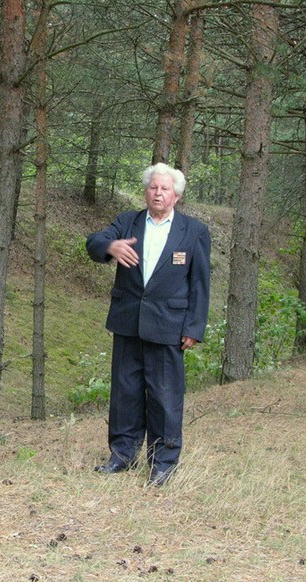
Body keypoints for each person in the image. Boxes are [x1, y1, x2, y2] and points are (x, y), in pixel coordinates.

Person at [85, 163, 210, 486]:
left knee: (164, 396)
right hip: (128, 322)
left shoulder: (193, 231)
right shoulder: (129, 221)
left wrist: (194, 328)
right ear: (146, 191)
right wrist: (109, 247)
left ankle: (163, 463)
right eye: (153, 187)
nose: (158, 193)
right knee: (125, 393)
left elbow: (200, 284)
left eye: (164, 189)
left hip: (169, 326)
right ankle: (122, 455)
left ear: (176, 195)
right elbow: (94, 241)